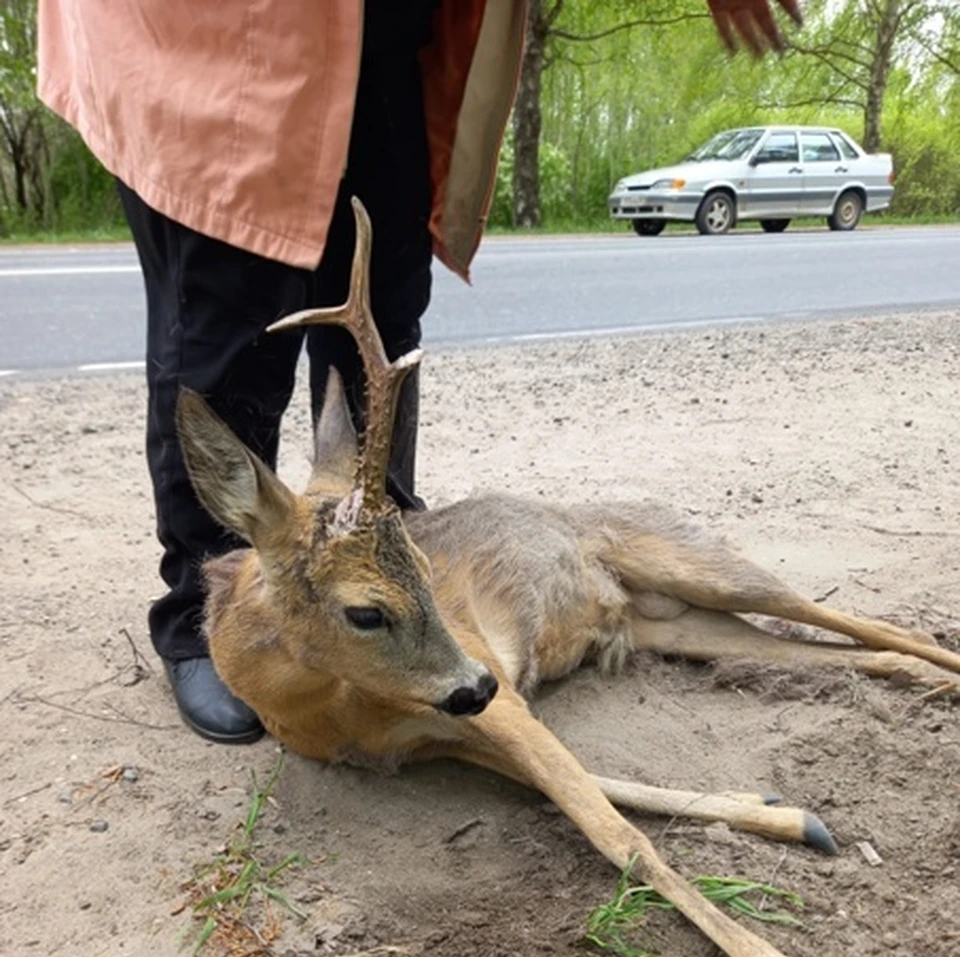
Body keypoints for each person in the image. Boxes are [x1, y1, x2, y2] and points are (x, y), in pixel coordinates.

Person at [36, 0, 801, 746]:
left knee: (380, 319)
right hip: (223, 46)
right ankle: (199, 616)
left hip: (389, 42)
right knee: (225, 334)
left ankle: (381, 567)